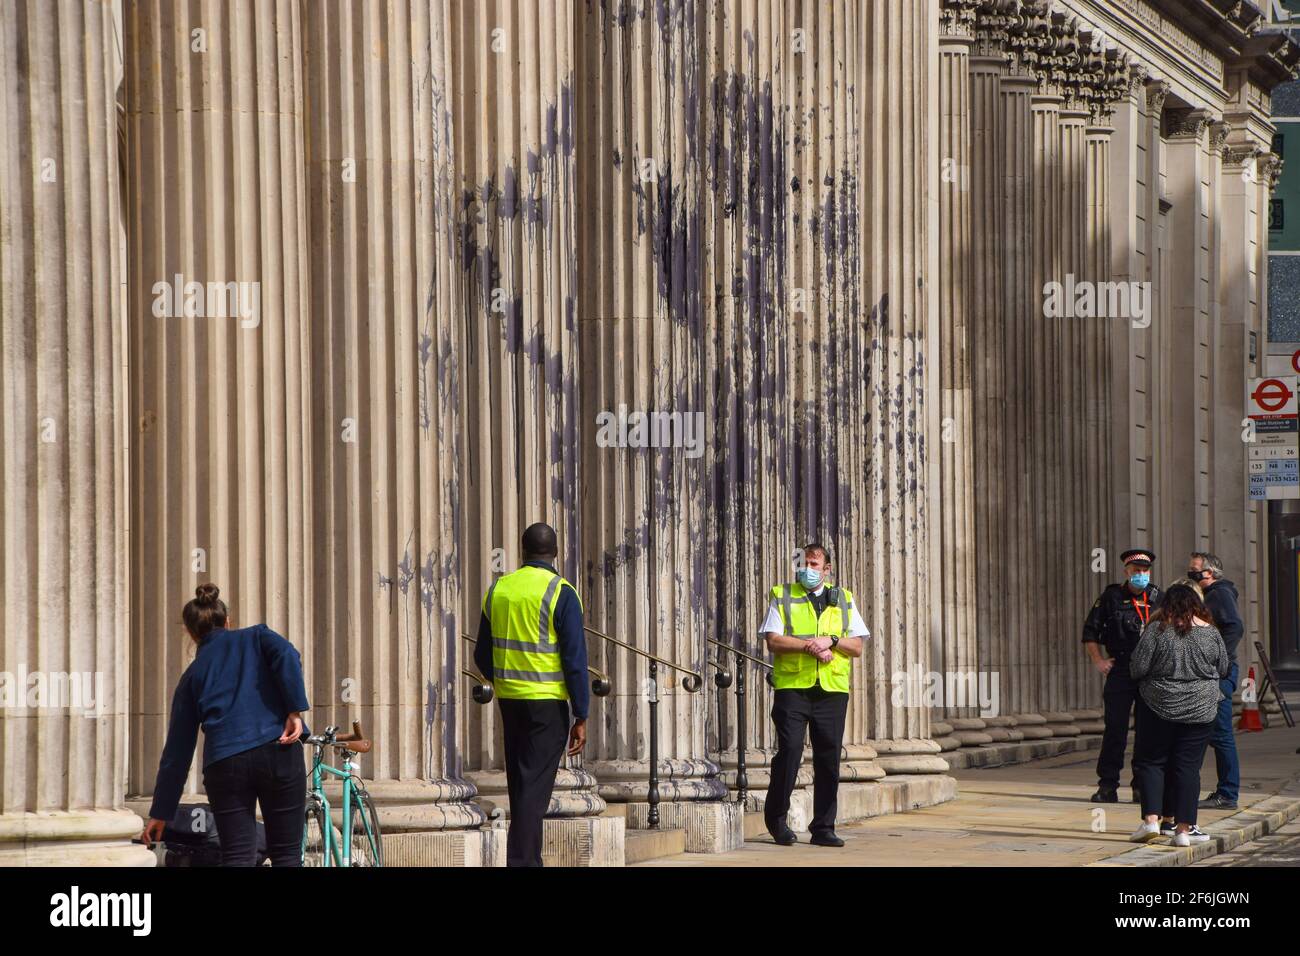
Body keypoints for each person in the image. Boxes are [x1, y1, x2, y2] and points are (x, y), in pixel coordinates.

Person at [141, 583, 311, 866]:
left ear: (190, 633)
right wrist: (294, 710)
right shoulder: (258, 636)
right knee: (286, 855)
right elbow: (287, 655)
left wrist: (161, 811)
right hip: (278, 749)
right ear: (228, 621)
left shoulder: (192, 676)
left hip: (225, 762)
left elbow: (177, 752)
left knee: (237, 856)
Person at [474, 522, 589, 867]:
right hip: (547, 706)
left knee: (523, 787)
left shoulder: (499, 589)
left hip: (510, 703)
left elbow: (481, 654)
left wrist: (505, 681)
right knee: (533, 795)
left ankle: (529, 860)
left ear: (523, 550)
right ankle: (521, 862)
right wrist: (581, 713)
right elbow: (574, 660)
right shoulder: (561, 592)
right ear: (555, 552)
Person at [760, 543, 869, 847]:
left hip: (831, 691)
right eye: (804, 564)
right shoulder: (783, 594)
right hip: (793, 687)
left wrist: (831, 641)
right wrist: (811, 645)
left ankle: (823, 827)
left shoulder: (844, 599)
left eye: (814, 565)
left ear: (827, 569)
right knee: (791, 750)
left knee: (828, 759)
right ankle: (776, 819)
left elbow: (857, 647)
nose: (807, 570)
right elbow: (773, 640)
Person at [1127, 583, 1230, 846]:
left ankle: (1151, 821)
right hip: (1200, 708)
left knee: (1152, 762)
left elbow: (1137, 667)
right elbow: (1224, 667)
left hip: (1158, 705)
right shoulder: (1211, 633)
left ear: (1167, 605)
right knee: (1188, 768)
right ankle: (1183, 831)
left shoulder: (1156, 631)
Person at [1082, 549, 1162, 804]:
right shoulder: (1112, 596)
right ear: (1126, 572)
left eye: (1145, 570)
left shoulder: (1159, 597)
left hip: (1150, 672)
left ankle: (1141, 785)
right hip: (1122, 668)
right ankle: (1107, 785)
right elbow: (1090, 632)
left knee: (1148, 731)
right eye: (1136, 570)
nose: (1141, 575)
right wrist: (1099, 661)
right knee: (1115, 729)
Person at [1188, 552, 1242, 810]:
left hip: (1218, 674)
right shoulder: (1211, 595)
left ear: (1211, 573)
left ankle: (1228, 794)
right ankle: (1221, 791)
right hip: (1213, 673)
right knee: (1211, 733)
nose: (1192, 575)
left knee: (1221, 734)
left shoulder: (1219, 593)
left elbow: (1234, 627)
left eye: (1196, 571)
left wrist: (1217, 659)